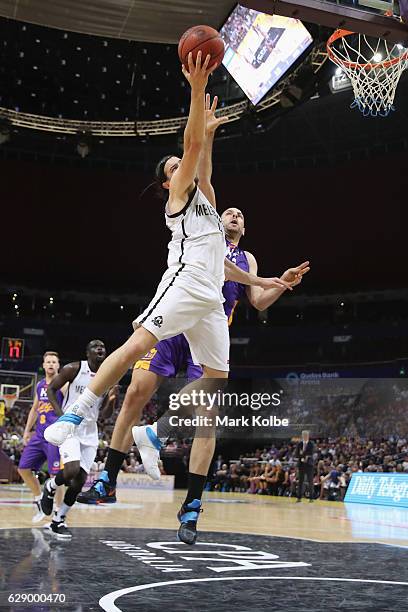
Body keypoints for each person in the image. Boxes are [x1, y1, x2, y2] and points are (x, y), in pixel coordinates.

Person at [45, 52, 295, 545]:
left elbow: (203, 160)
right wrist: (197, 91)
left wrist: (267, 284)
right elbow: (191, 143)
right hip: (181, 287)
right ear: (167, 180)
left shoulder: (207, 200)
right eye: (176, 166)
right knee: (138, 346)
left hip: (210, 303)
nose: (185, 166)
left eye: (186, 164)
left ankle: (192, 505)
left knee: (212, 406)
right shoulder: (178, 195)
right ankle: (80, 411)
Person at [40, 340, 117, 538]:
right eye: (96, 346)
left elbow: (106, 415)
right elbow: (51, 389)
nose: (100, 349)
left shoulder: (108, 376)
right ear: (87, 352)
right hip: (70, 426)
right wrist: (61, 415)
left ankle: (59, 520)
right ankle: (50, 486)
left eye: (103, 347)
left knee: (80, 480)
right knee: (71, 469)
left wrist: (112, 401)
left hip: (90, 430)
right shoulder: (74, 368)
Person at [18, 352, 64, 523]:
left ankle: (58, 514)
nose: (51, 364)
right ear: (43, 365)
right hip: (38, 435)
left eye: (54, 362)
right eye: (48, 362)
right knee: (23, 468)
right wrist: (26, 431)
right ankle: (39, 500)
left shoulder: (63, 384)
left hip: (55, 436)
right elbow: (34, 409)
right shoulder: (40, 385)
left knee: (56, 476)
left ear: (58, 366)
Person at [295, 430, 315, 502]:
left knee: (310, 481)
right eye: (304, 435)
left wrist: (302, 454)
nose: (305, 437)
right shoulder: (299, 444)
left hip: (309, 465)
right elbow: (297, 454)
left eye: (306, 435)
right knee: (300, 481)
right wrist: (304, 455)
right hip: (301, 464)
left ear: (308, 436)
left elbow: (311, 453)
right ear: (302, 436)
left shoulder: (311, 444)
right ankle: (299, 497)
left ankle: (311, 498)